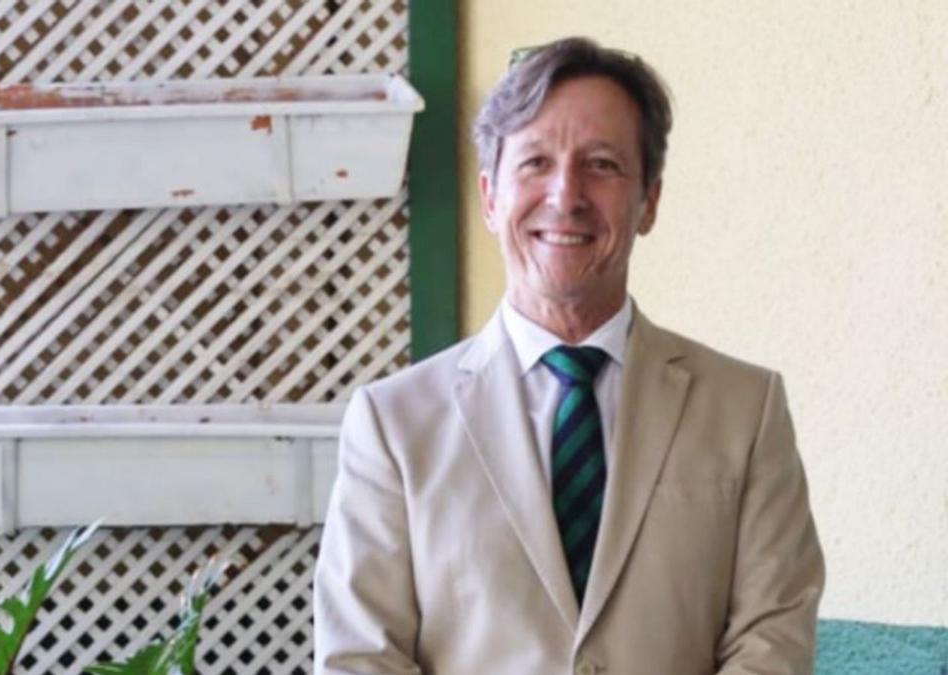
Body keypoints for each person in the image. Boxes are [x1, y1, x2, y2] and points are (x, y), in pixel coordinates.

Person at [314, 37, 824, 674]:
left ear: (650, 201)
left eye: (602, 164)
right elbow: (362, 658)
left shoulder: (747, 410)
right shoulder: (392, 425)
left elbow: (772, 639)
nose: (566, 195)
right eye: (534, 163)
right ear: (490, 197)